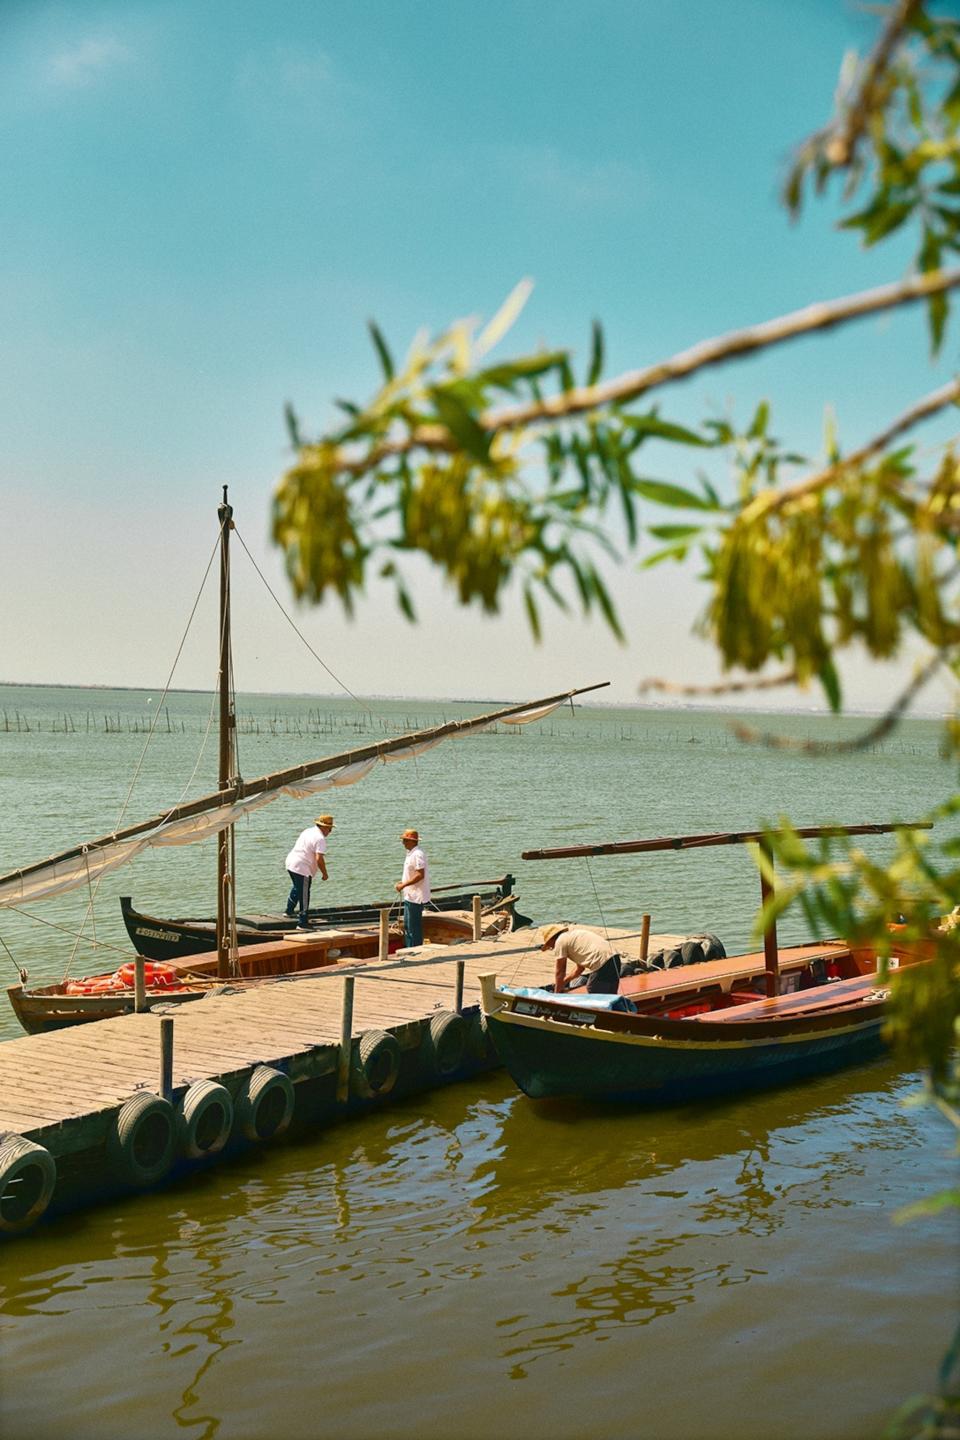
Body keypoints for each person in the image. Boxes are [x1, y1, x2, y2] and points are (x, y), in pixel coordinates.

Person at [540, 923, 622, 994]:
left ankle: (599, 1012)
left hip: (601, 961)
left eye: (550, 946)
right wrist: (564, 982)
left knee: (593, 989)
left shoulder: (560, 941)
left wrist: (556, 992)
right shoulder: (573, 936)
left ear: (551, 939)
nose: (552, 948)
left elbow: (560, 972)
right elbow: (579, 969)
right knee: (610, 994)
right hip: (614, 957)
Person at [284, 814, 334, 929]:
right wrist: (325, 873)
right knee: (305, 894)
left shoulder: (308, 831)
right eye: (329, 829)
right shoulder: (320, 839)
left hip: (291, 862)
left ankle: (289, 911)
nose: (330, 832)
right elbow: (319, 858)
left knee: (298, 888)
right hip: (302, 867)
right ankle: (302, 922)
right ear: (324, 827)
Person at [395, 827, 430, 948]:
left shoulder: (417, 854)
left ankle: (416, 949)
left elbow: (420, 875)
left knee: (413, 927)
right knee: (407, 926)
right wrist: (404, 882)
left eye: (405, 840)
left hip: (416, 896)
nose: (403, 843)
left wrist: (404, 884)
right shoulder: (411, 853)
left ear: (412, 841)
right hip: (409, 895)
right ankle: (410, 948)